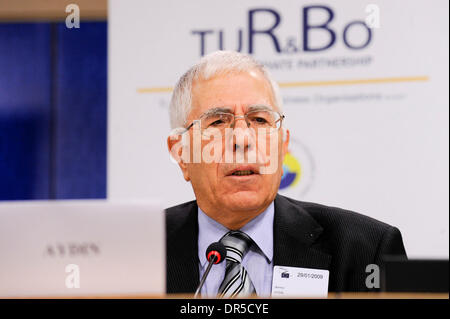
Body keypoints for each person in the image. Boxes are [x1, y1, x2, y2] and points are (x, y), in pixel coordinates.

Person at [165, 50, 407, 297]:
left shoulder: (367, 250)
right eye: (217, 122)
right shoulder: (134, 253)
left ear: (282, 147)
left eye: (259, 120)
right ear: (182, 154)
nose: (242, 139)